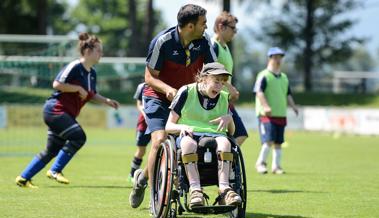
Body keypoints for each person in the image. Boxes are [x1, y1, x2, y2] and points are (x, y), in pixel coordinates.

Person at [129, 4, 217, 209]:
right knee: (159, 140)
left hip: (186, 99)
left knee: (184, 143)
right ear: (189, 26)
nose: (206, 27)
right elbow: (149, 77)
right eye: (203, 23)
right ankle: (154, 197)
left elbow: (213, 71)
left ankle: (142, 177)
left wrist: (224, 88)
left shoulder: (204, 42)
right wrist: (168, 89)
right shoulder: (163, 42)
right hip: (157, 97)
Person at [15, 32, 120, 188]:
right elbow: (57, 84)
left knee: (52, 150)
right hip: (55, 110)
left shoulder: (92, 74)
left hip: (65, 114)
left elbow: (91, 94)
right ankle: (55, 170)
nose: (101, 54)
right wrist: (76, 88)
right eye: (99, 50)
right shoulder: (75, 66)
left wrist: (107, 101)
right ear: (87, 51)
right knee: (79, 137)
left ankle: (23, 178)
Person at [166, 62, 242, 207]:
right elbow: (168, 126)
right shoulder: (186, 92)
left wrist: (229, 118)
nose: (219, 86)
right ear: (204, 78)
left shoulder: (224, 97)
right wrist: (181, 126)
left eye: (222, 82)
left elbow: (231, 133)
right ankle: (195, 190)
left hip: (215, 135)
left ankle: (225, 189)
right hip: (189, 134)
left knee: (226, 143)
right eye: (216, 81)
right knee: (188, 144)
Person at [253, 47, 299, 175]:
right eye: (275, 57)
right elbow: (259, 92)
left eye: (280, 57)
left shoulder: (284, 77)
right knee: (268, 140)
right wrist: (266, 106)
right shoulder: (264, 75)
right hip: (266, 115)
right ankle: (260, 163)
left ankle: (276, 166)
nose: (278, 60)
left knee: (278, 142)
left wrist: (293, 106)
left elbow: (288, 94)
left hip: (280, 114)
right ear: (270, 58)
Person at [212, 11, 248, 146]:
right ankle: (223, 163)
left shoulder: (225, 47)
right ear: (221, 27)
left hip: (225, 100)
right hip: (216, 100)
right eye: (233, 28)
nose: (235, 32)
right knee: (239, 134)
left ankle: (224, 163)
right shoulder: (213, 46)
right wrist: (229, 87)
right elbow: (210, 72)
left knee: (238, 135)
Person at [128, 82, 151, 183]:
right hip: (143, 125)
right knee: (141, 151)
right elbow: (139, 104)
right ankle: (132, 174)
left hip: (159, 124)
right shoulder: (142, 86)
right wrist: (146, 113)